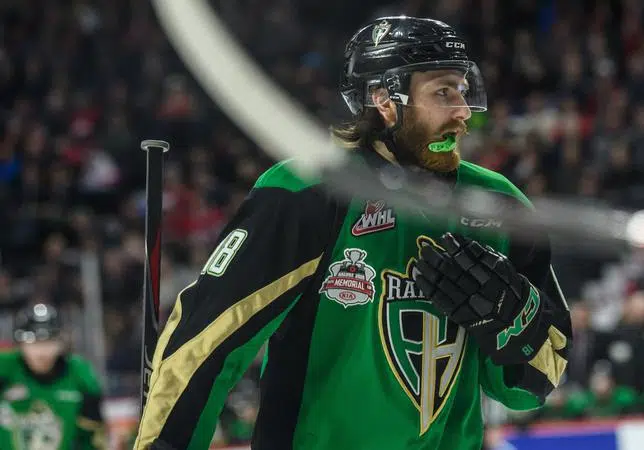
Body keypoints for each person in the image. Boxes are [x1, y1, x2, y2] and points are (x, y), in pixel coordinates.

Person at [134, 16, 572, 450]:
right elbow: (204, 342)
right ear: (383, 99)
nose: (462, 111)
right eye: (442, 92)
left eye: (462, 90)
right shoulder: (307, 191)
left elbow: (527, 390)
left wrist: (515, 320)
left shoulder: (499, 204)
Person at [0, 303, 106, 449]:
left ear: (60, 343)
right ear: (21, 343)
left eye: (49, 342)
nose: (42, 352)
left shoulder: (79, 374)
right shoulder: (5, 368)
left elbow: (91, 437)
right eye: (34, 343)